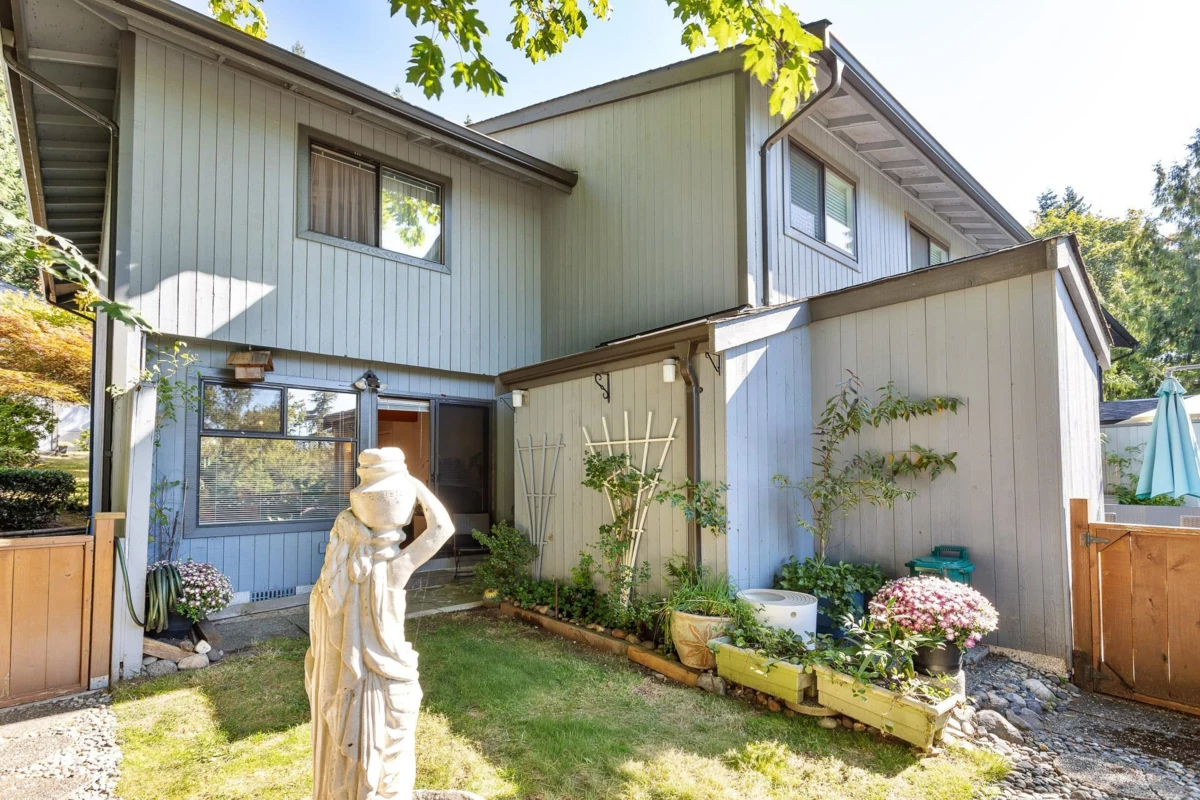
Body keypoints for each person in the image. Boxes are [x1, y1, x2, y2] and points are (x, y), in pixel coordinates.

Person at [306, 447, 456, 799]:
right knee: (389, 762)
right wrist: (416, 484)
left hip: (349, 686)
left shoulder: (333, 580)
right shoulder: (391, 570)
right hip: (387, 682)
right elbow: (442, 527)